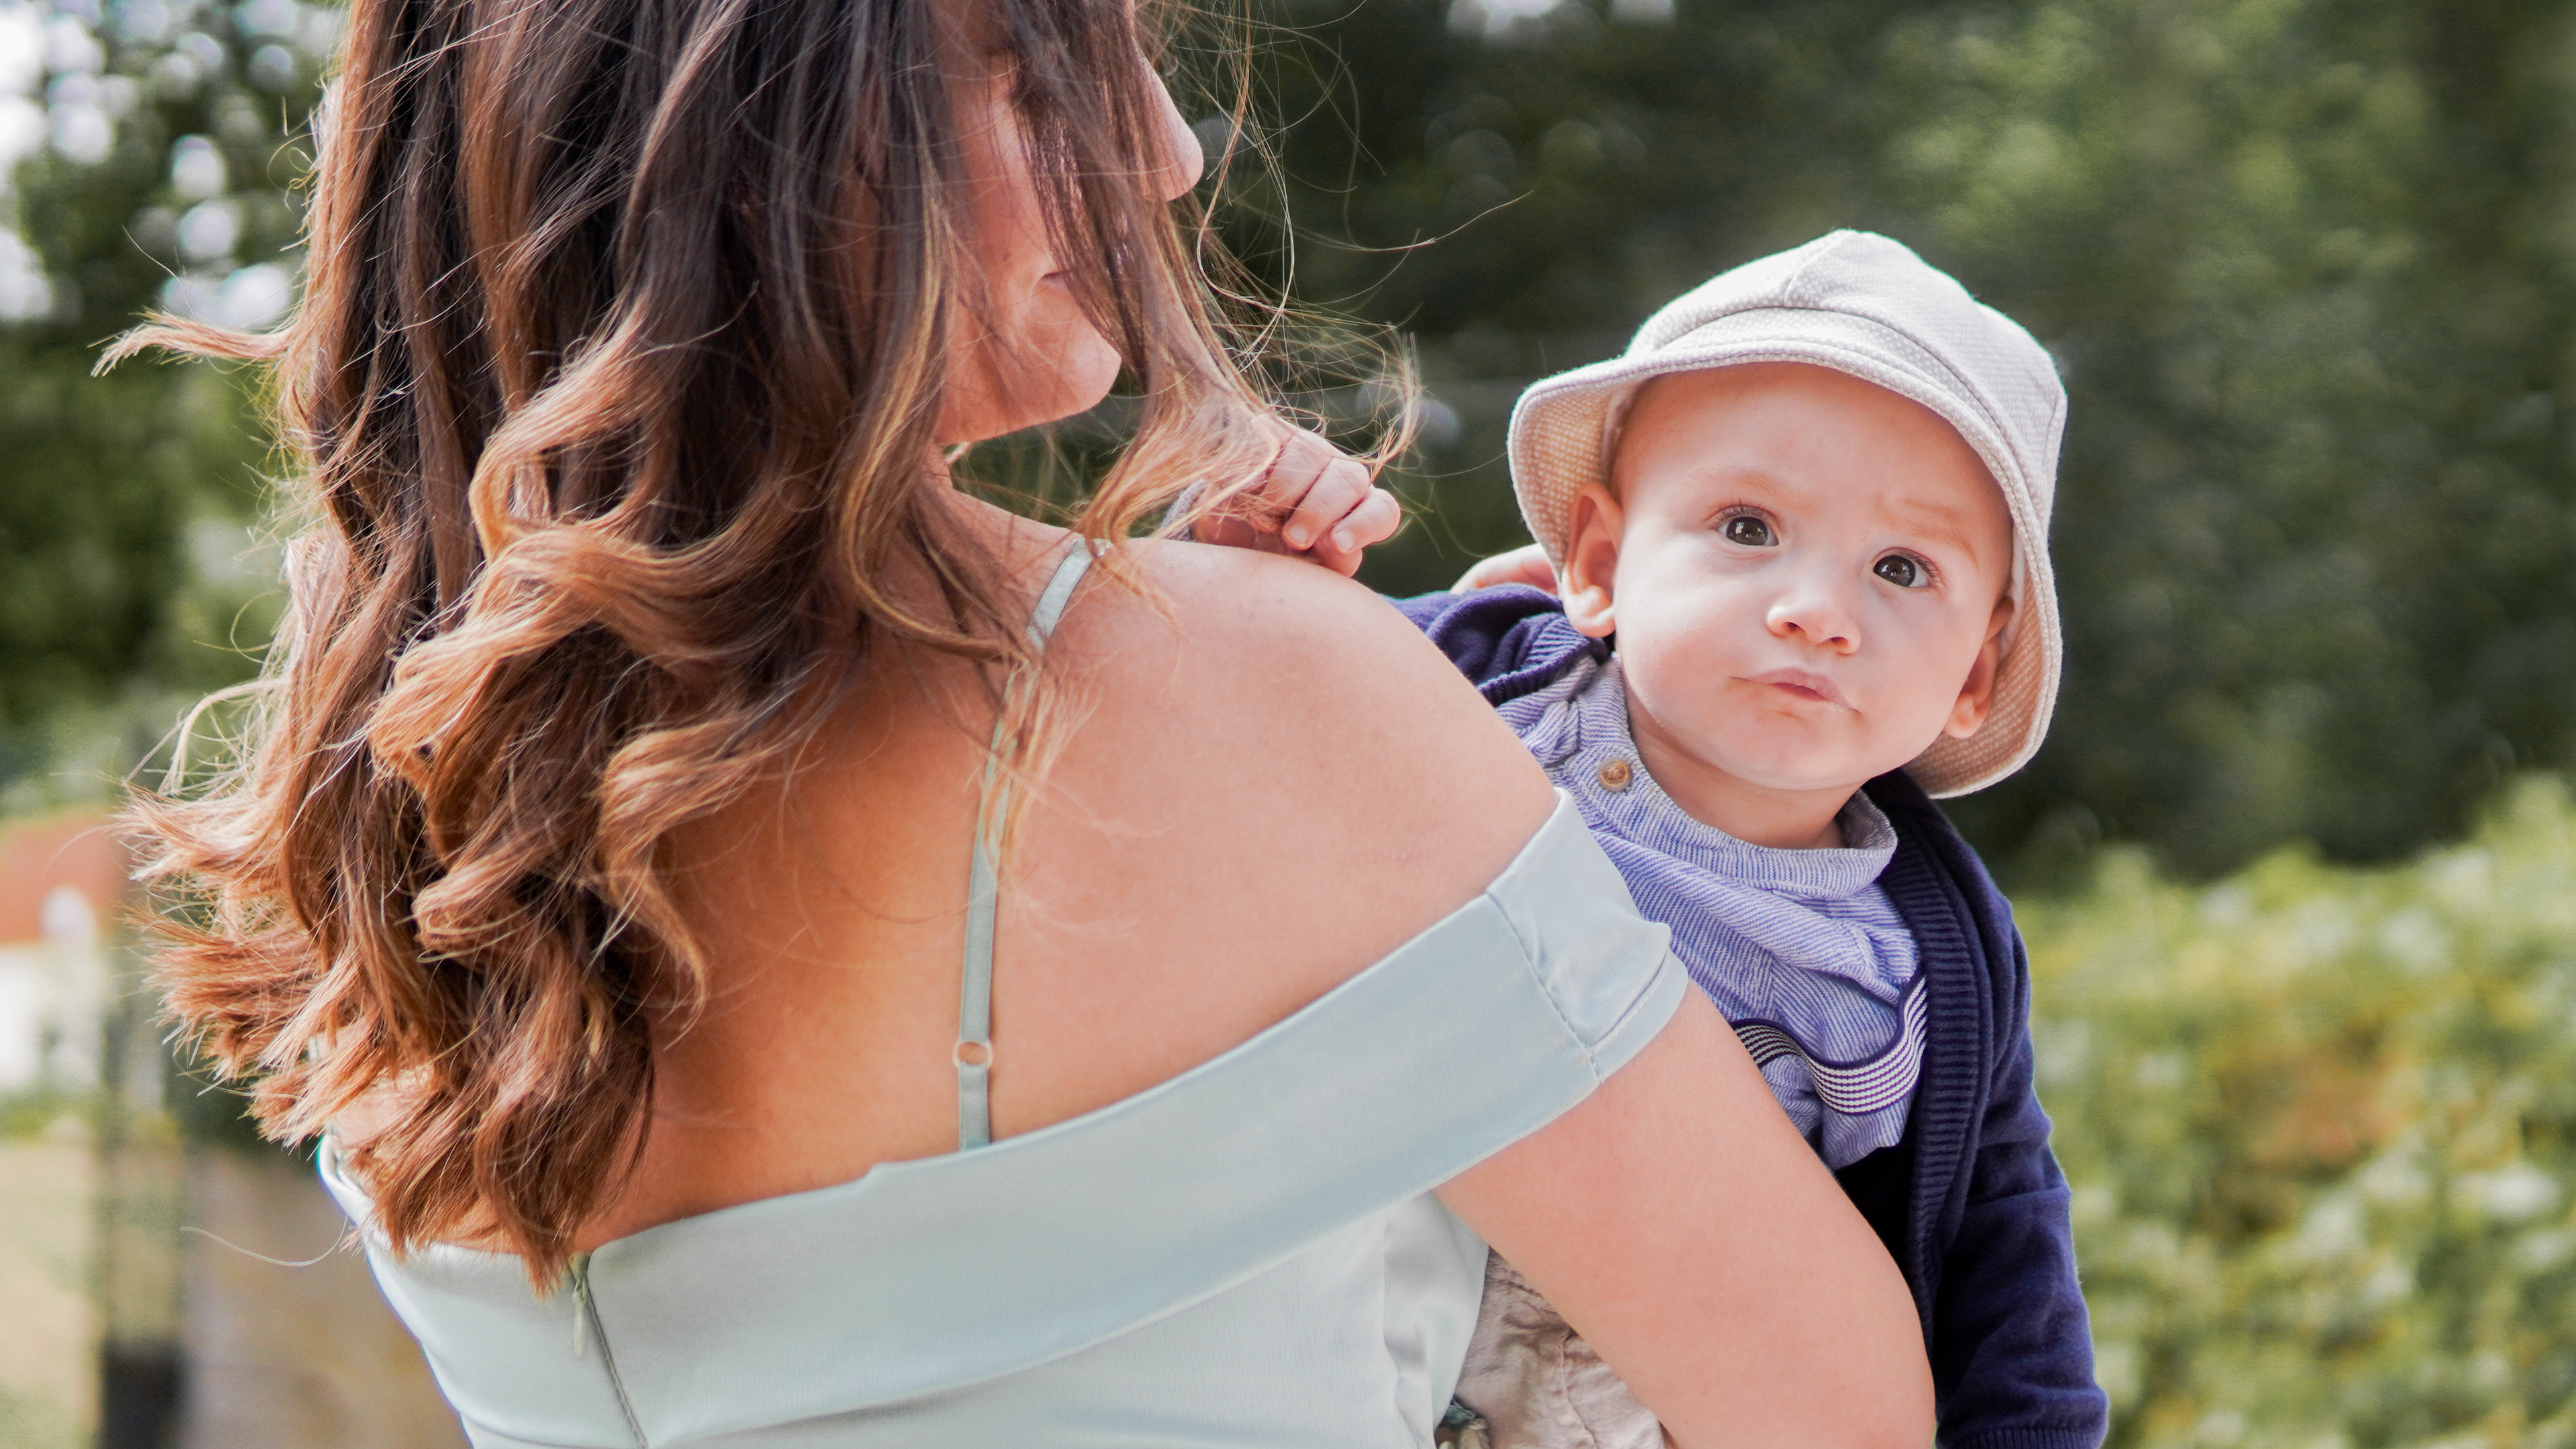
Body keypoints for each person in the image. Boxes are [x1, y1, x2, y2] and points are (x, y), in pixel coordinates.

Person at [117, 0, 1937, 1443]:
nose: (1163, 150)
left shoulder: (404, 820)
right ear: (754, 149)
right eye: (1040, 70)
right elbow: (1842, 1411)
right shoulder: (1266, 701)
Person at [1396, 232, 2110, 1448]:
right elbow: (1215, 728)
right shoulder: (1466, 697)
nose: (1817, 612)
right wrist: (1266, 562)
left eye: (1901, 568)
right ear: (1601, 564)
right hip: (1345, 1326)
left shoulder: (1920, 963)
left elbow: (2007, 1264)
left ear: (1975, 673)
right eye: (1745, 528)